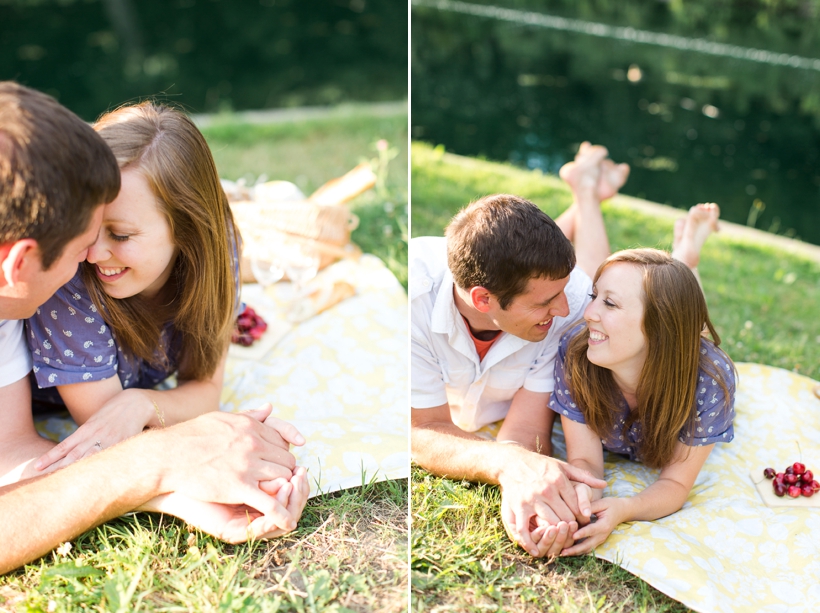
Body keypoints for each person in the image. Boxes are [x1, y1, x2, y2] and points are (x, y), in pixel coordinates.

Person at [0, 81, 306, 573]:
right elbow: (99, 438)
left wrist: (172, 493)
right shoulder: (57, 295)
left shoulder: (7, 311)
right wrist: (165, 462)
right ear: (18, 263)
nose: (89, 256)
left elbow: (11, 454)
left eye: (115, 233)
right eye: (81, 240)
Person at [19, 102, 266, 477]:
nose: (92, 253)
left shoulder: (219, 249)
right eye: (84, 225)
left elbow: (204, 389)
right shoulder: (68, 278)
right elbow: (113, 435)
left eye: (120, 234)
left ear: (188, 228)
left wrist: (140, 403)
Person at [411, 143, 627, 558]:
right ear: (482, 300)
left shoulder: (572, 303)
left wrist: (524, 474)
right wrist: (507, 467)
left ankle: (585, 196)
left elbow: (528, 427)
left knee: (590, 284)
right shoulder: (413, 297)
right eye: (545, 302)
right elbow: (420, 430)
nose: (563, 311)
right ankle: (585, 192)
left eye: (562, 293)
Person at [550, 205, 736, 556]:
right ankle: (683, 257)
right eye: (594, 296)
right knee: (674, 301)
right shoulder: (576, 352)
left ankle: (686, 257)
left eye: (610, 304)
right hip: (665, 332)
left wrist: (625, 509)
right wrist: (582, 505)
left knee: (684, 317)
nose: (588, 314)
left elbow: (675, 482)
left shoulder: (709, 382)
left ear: (655, 328)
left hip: (677, 349)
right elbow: (586, 463)